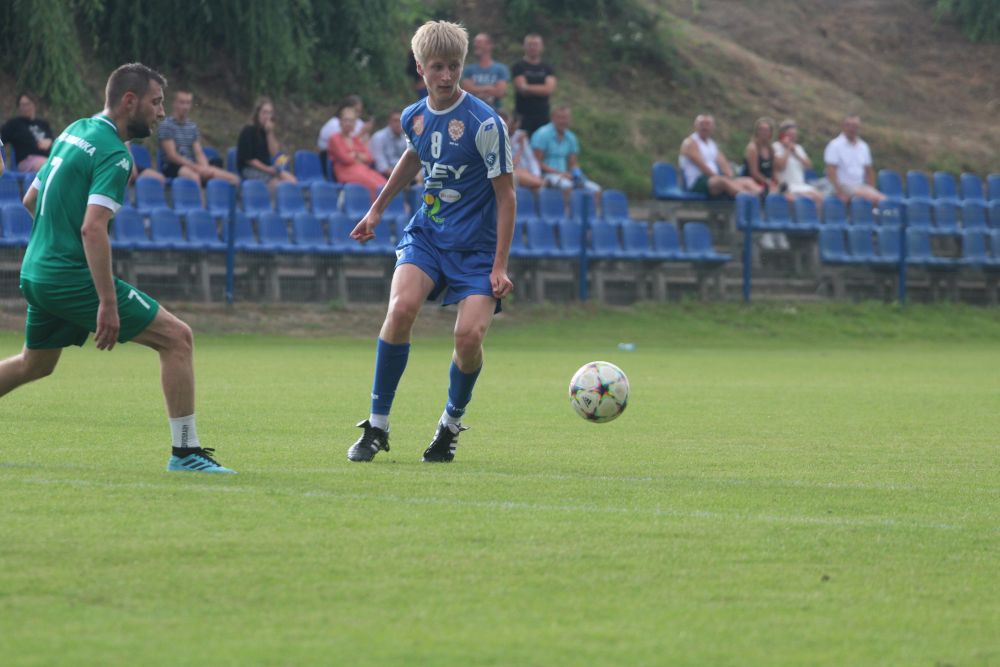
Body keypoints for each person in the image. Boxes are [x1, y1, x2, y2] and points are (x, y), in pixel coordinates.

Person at [0, 62, 234, 474]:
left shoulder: (74, 130)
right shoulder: (114, 153)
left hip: (37, 270)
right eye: (156, 102)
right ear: (130, 101)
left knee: (35, 364)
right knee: (177, 338)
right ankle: (186, 452)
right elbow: (93, 228)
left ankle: (186, 453)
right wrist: (107, 303)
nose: (161, 112)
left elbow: (30, 200)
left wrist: (56, 244)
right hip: (67, 276)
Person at [345, 20, 514, 464]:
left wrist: (499, 264)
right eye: (437, 67)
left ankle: (450, 424)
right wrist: (376, 209)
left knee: (468, 337)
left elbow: (507, 196)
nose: (446, 75)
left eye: (454, 66)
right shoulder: (413, 116)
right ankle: (377, 426)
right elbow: (414, 154)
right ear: (420, 68)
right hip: (428, 235)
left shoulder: (486, 123)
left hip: (477, 249)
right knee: (400, 309)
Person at [158, 89, 239, 186]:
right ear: (174, 103)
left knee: (233, 179)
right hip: (172, 166)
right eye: (182, 102)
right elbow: (172, 156)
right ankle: (200, 196)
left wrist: (205, 168)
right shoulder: (167, 125)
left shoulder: (192, 126)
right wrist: (196, 168)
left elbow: (198, 152)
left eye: (188, 103)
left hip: (192, 165)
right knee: (194, 178)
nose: (185, 107)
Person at [679, 114, 762, 198]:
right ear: (695, 126)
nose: (704, 127)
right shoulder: (690, 143)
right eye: (701, 124)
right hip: (697, 181)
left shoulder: (711, 144)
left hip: (714, 179)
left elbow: (723, 162)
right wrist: (723, 178)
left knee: (747, 181)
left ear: (713, 127)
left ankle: (763, 196)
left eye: (707, 124)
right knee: (723, 181)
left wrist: (729, 175)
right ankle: (750, 197)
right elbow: (702, 166)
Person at [531, 106, 601, 197]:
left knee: (596, 189)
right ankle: (567, 207)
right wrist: (559, 173)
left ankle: (592, 207)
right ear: (552, 118)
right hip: (545, 175)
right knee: (567, 186)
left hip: (565, 175)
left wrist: (577, 174)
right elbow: (536, 162)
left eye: (565, 118)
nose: (563, 121)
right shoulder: (542, 134)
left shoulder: (571, 137)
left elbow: (573, 164)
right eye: (559, 117)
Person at [823, 114, 886, 205]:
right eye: (848, 125)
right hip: (844, 185)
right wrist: (839, 192)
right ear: (843, 126)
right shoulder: (834, 145)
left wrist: (872, 188)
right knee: (877, 199)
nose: (851, 129)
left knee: (884, 200)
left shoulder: (863, 147)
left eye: (855, 126)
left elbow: (869, 170)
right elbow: (831, 170)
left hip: (860, 185)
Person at [236, 97, 297, 189]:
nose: (267, 116)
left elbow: (274, 153)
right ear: (258, 113)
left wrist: (270, 133)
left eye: (270, 113)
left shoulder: (266, 131)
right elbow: (250, 160)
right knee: (279, 185)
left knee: (292, 181)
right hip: (249, 169)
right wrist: (268, 169)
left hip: (267, 167)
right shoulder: (248, 131)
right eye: (264, 112)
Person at [327, 105, 387, 198]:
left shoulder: (355, 139)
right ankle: (376, 206)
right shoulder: (334, 138)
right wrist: (359, 156)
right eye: (345, 120)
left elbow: (369, 158)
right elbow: (345, 159)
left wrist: (355, 154)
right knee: (373, 184)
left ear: (355, 123)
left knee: (385, 184)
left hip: (363, 169)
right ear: (340, 121)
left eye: (351, 121)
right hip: (345, 172)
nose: (348, 123)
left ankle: (392, 206)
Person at [511, 34, 557, 136]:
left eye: (536, 45)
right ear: (524, 46)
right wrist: (542, 89)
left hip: (543, 116)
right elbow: (522, 89)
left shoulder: (548, 68)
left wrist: (528, 87)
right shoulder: (518, 66)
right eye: (530, 44)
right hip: (522, 116)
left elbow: (549, 90)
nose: (533, 47)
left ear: (542, 47)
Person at [772, 119, 824, 208]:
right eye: (790, 135)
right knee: (812, 198)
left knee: (820, 197)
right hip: (787, 185)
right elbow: (781, 166)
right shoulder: (776, 147)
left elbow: (809, 166)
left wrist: (795, 153)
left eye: (794, 134)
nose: (793, 137)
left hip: (800, 184)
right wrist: (787, 149)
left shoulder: (798, 148)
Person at [1, 93, 55, 172]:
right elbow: (2, 138)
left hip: (48, 158)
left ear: (34, 104)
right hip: (27, 161)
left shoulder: (43, 124)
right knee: (50, 166)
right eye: (22, 105)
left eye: (28, 104)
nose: (25, 108)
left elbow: (54, 140)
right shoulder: (14, 124)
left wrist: (50, 141)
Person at [461, 32, 510, 109]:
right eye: (475, 42)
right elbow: (466, 91)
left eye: (479, 42)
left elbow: (500, 92)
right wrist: (489, 88)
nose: (475, 45)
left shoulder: (501, 69)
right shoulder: (469, 69)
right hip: (473, 111)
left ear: (489, 45)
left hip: (495, 111)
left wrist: (475, 89)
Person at [501, 111, 543, 191]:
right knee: (536, 183)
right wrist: (521, 148)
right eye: (512, 127)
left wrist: (536, 174)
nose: (514, 130)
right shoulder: (499, 138)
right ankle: (543, 183)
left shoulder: (520, 136)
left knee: (536, 185)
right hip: (512, 172)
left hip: (523, 171)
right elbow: (511, 166)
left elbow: (531, 159)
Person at [368, 111, 409, 179]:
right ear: (389, 122)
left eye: (400, 121)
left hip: (402, 175)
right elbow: (381, 166)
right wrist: (403, 177)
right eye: (395, 121)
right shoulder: (378, 137)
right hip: (382, 177)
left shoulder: (405, 138)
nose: (398, 124)